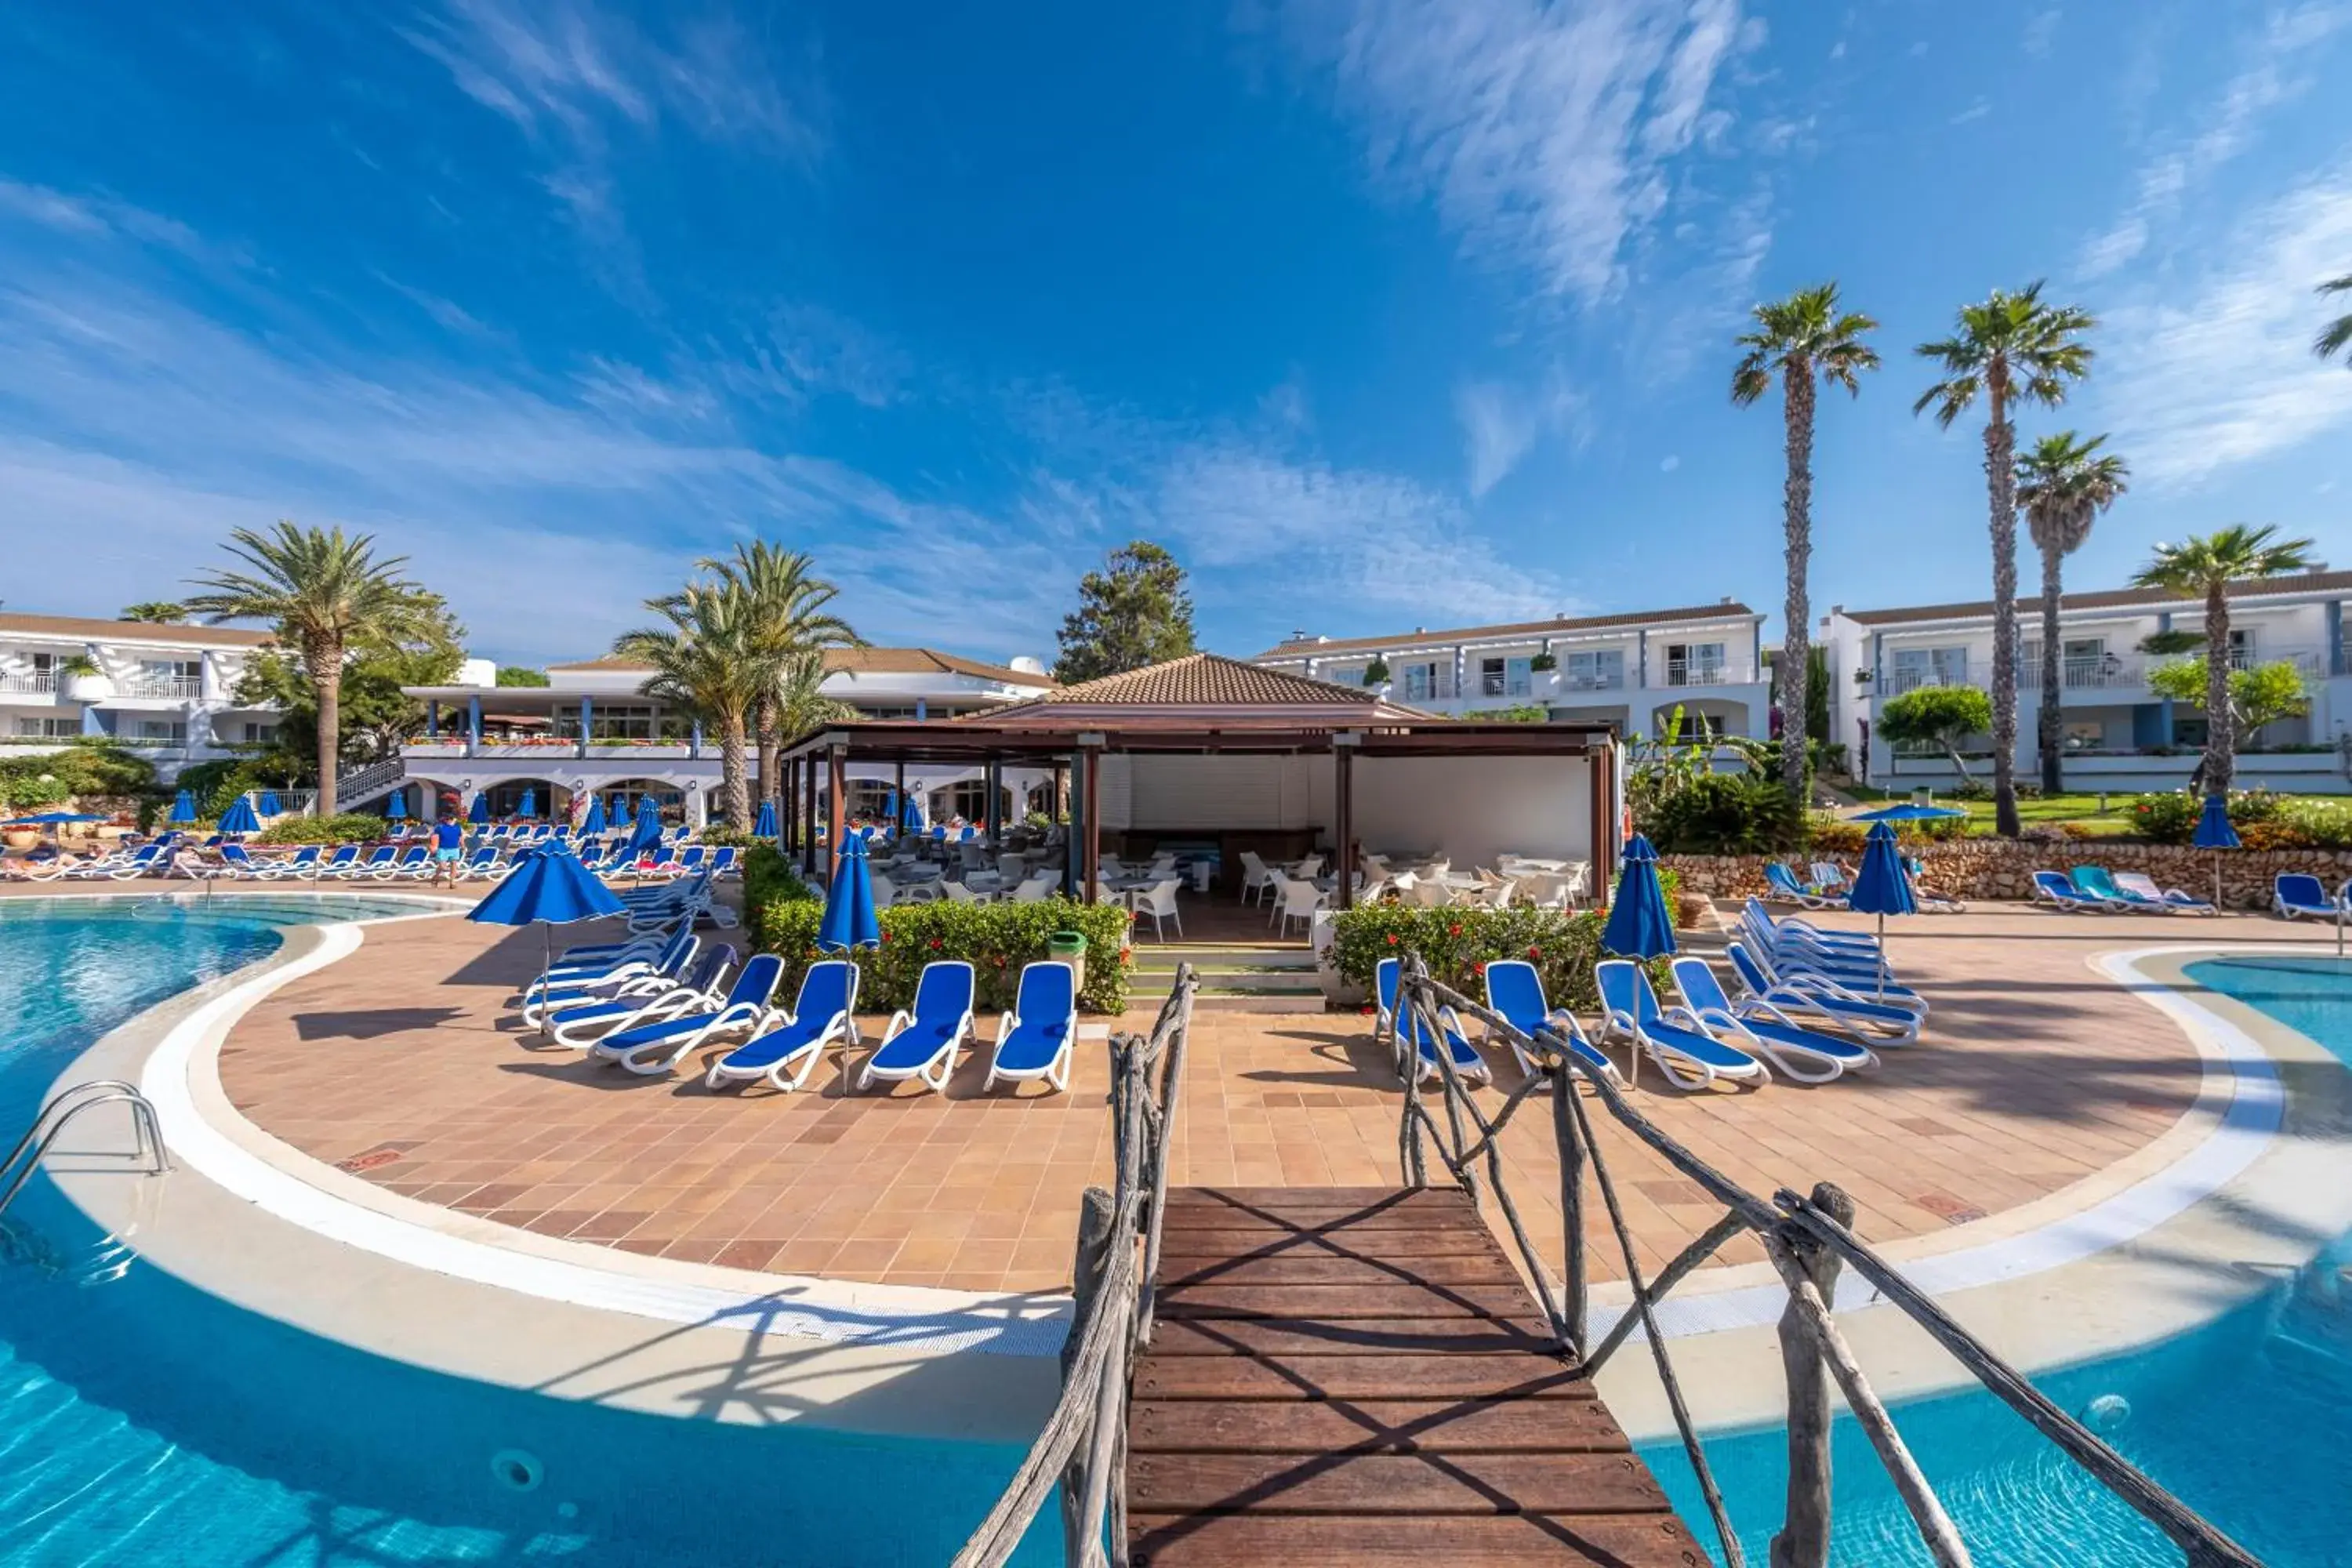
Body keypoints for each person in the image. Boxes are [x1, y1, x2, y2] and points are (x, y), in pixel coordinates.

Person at [431, 813, 466, 887]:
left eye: (450, 819)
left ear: (454, 819)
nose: (449, 820)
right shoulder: (440, 827)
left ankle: (452, 883)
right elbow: (434, 838)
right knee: (443, 867)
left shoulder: (458, 828)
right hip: (443, 849)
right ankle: (436, 877)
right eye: (447, 819)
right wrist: (433, 847)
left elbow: (460, 838)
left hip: (455, 849)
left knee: (454, 864)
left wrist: (463, 846)